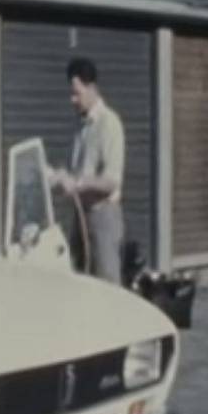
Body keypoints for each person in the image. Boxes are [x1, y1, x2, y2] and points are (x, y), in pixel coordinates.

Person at [49, 57, 126, 284]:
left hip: (102, 218)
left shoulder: (109, 123)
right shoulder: (81, 127)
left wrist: (79, 184)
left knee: (107, 287)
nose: (72, 100)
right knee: (81, 283)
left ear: (92, 88)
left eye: (77, 93)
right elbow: (76, 171)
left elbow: (112, 181)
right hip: (80, 217)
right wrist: (56, 175)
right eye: (71, 94)